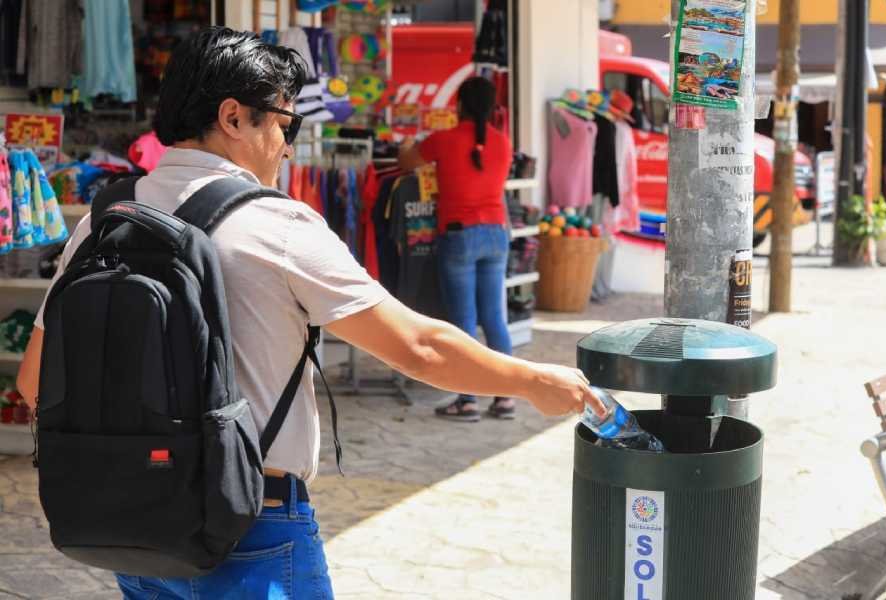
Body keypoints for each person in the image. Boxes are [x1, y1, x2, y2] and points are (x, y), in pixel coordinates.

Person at [15, 28, 603, 600]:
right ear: (233, 117)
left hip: (130, 528)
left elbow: (34, 382)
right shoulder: (276, 224)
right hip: (252, 527)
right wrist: (532, 380)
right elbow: (418, 347)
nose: (290, 146)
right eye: (285, 123)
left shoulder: (105, 218)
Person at [398, 76, 516, 422]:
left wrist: (407, 142)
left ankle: (467, 400)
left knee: (463, 321)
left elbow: (407, 162)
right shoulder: (502, 143)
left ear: (459, 105)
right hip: (496, 233)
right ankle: (505, 397)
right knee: (494, 317)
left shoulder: (443, 139)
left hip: (459, 234)